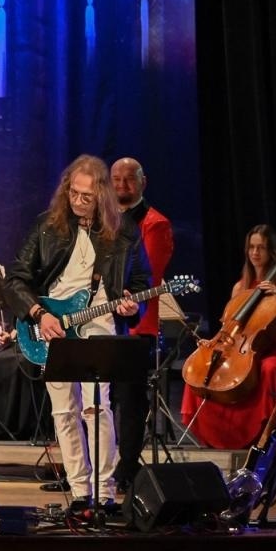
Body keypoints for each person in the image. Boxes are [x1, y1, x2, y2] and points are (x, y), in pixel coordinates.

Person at [4, 154, 147, 511]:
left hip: (99, 323)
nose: (78, 201)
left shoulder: (125, 231)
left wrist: (132, 304)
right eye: (73, 193)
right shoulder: (47, 227)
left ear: (101, 196)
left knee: (97, 408)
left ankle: (105, 491)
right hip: (53, 324)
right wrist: (38, 314)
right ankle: (81, 492)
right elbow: (15, 279)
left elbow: (141, 283)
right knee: (64, 411)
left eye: (86, 196)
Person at [180, 225, 276, 449]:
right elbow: (230, 327)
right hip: (244, 347)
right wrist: (211, 343)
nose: (255, 253)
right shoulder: (241, 286)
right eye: (251, 248)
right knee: (201, 370)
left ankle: (265, 436)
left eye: (261, 248)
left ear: (272, 251)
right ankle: (219, 438)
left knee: (269, 369)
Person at [109, 157, 174, 490]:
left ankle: (127, 469)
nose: (121, 186)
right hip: (103, 323)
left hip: (138, 328)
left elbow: (146, 277)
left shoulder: (155, 223)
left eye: (128, 180)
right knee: (101, 400)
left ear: (142, 183)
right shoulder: (103, 221)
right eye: (116, 179)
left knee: (129, 402)